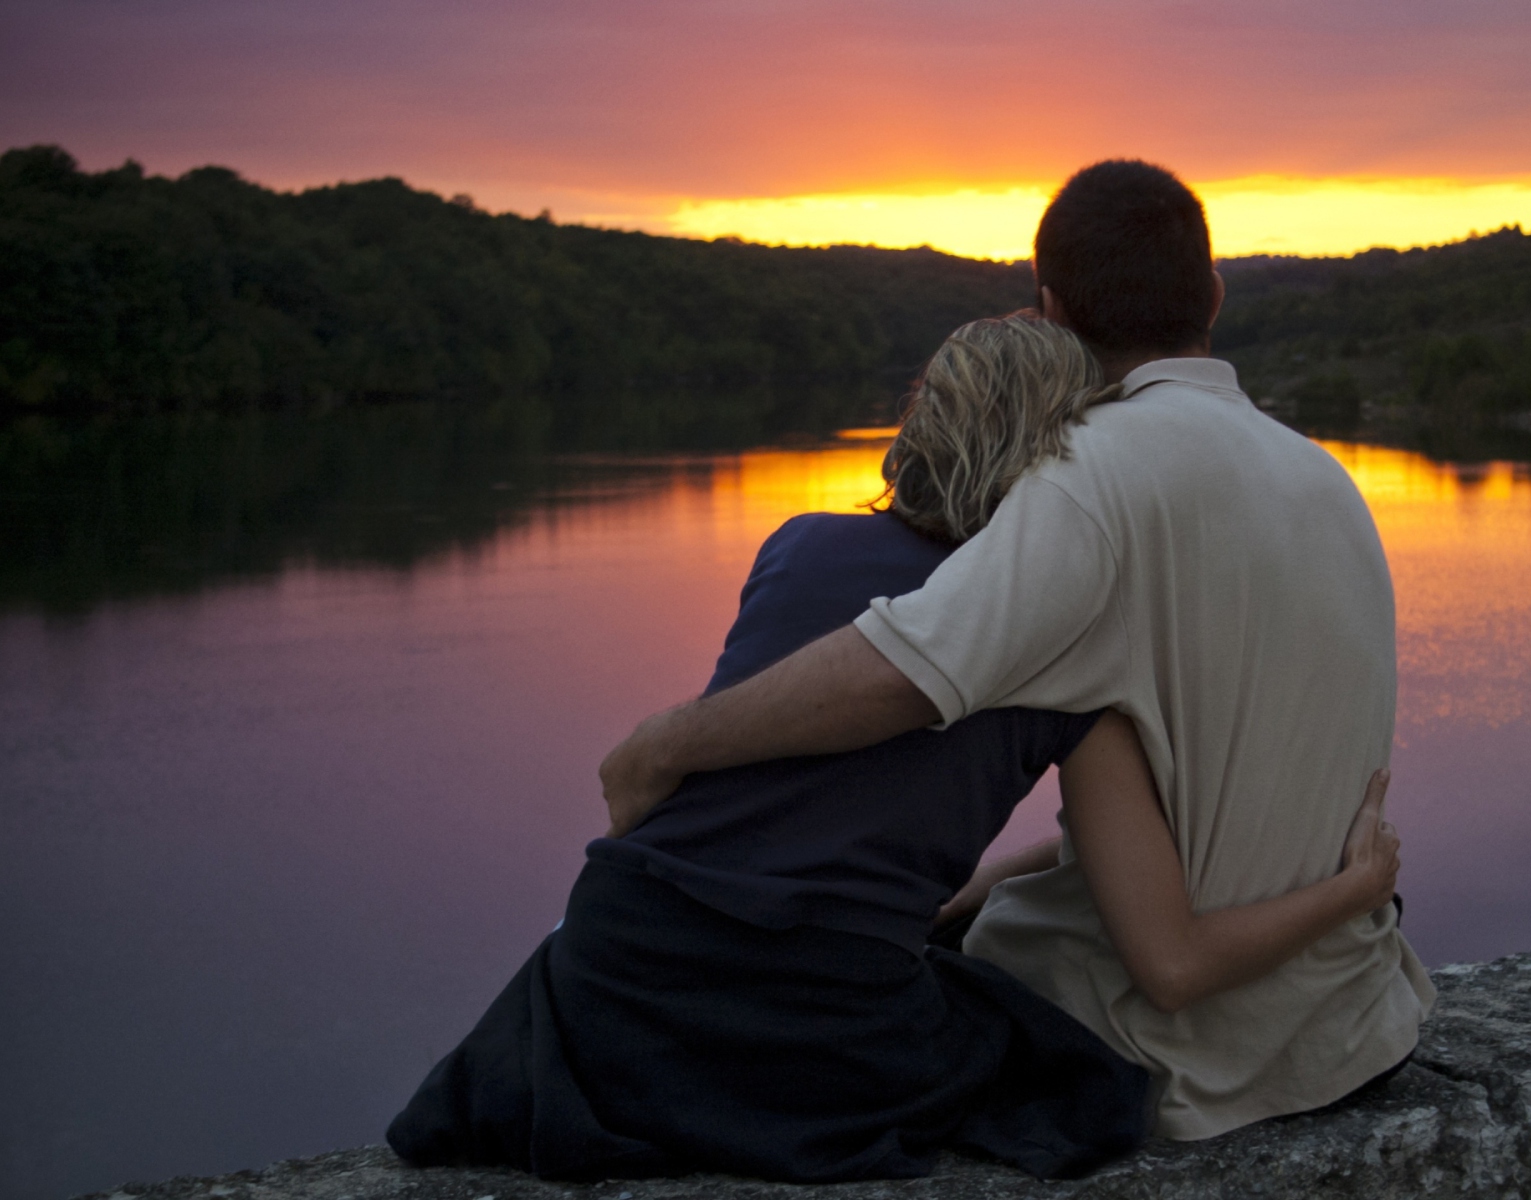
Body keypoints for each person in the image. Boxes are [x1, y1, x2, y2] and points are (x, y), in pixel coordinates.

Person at [387, 313, 1403, 1183]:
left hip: (615, 966)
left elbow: (804, 806)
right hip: (814, 1017)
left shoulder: (795, 545)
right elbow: (1169, 959)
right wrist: (1352, 889)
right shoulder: (1062, 641)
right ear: (1068, 452)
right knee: (1069, 1071)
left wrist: (958, 895)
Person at [598, 160, 1436, 1139]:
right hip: (1352, 1029)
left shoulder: (1090, 477)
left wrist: (666, 746)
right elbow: (1187, 815)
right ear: (1211, 294)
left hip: (1182, 1059)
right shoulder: (1327, 481)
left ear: (1048, 309)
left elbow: (901, 669)